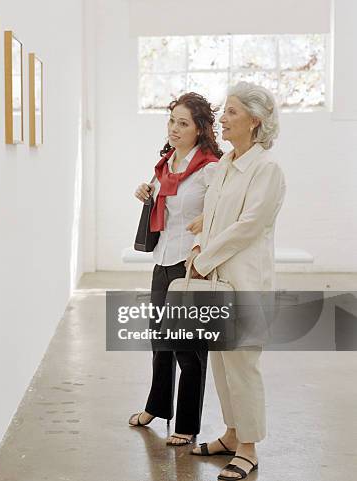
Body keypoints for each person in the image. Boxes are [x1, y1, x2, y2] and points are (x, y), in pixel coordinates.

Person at [188, 82, 286, 481]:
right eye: (223, 111)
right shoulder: (226, 165)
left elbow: (248, 227)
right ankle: (231, 434)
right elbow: (208, 217)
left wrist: (203, 259)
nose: (222, 119)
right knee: (221, 362)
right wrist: (198, 247)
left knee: (243, 365)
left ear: (254, 121)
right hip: (216, 277)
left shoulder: (267, 170)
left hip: (244, 281)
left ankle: (249, 447)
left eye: (231, 112)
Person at [129, 92, 222, 447]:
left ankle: (186, 423)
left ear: (200, 129)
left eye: (183, 123)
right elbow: (164, 204)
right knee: (160, 342)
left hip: (190, 266)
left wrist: (205, 225)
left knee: (189, 348)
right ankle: (156, 407)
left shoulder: (211, 168)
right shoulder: (166, 164)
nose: (175, 129)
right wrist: (145, 191)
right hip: (163, 261)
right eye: (172, 121)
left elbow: (221, 211)